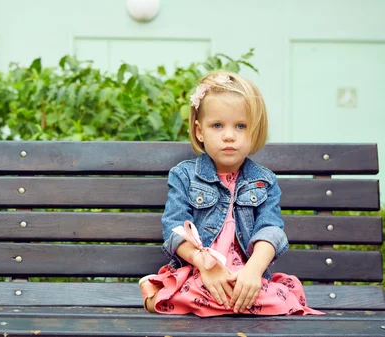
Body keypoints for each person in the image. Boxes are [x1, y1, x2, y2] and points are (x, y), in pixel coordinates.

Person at [139, 71, 324, 317]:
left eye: (240, 126)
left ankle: (219, 302)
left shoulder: (264, 181)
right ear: (199, 131)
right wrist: (205, 265)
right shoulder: (184, 175)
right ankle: (179, 296)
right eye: (217, 125)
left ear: (254, 131)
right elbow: (174, 229)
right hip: (201, 271)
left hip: (245, 275)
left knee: (278, 299)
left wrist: (254, 271)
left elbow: (271, 229)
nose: (229, 135)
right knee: (195, 289)